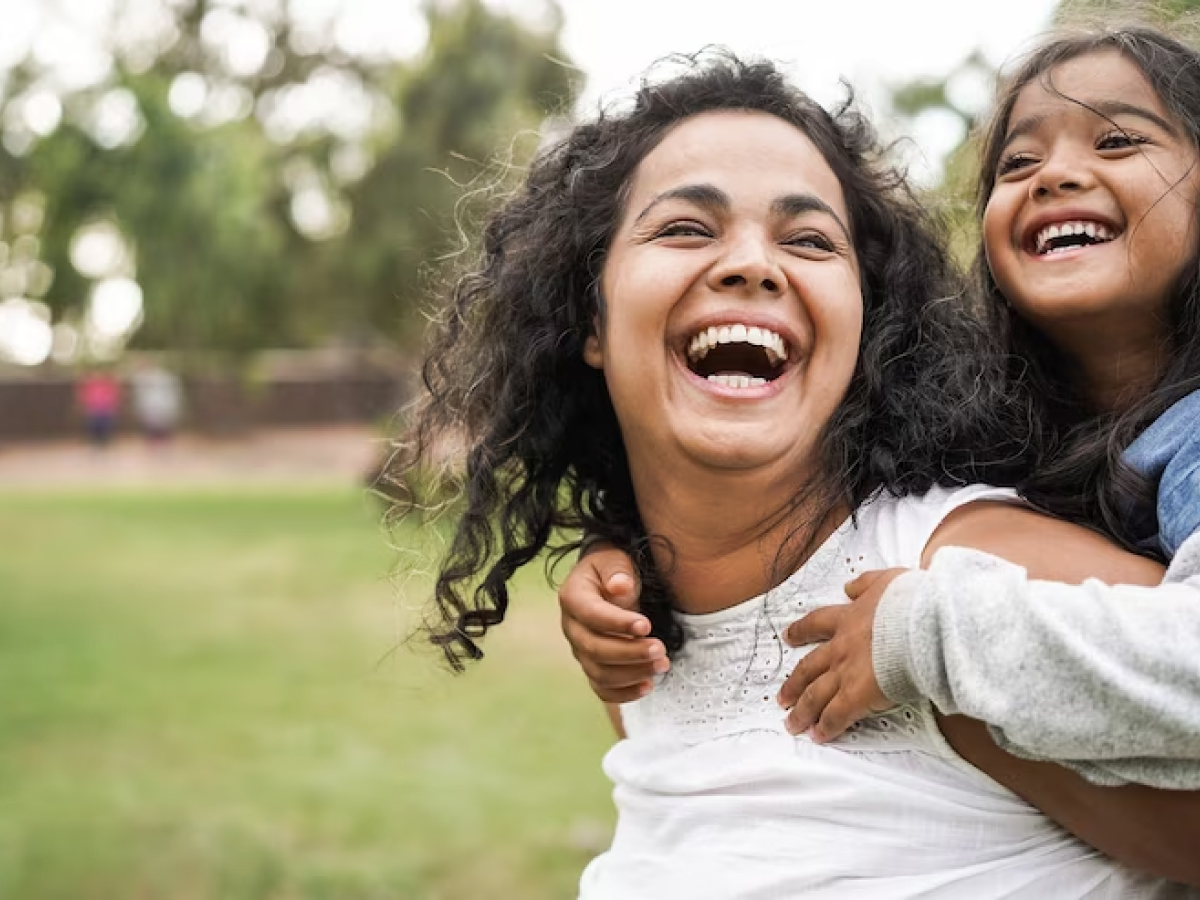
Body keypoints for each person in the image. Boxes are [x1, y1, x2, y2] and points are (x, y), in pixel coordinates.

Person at [391, 53, 1195, 895]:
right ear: (588, 316)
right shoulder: (636, 632)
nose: (751, 264)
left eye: (808, 240)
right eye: (685, 228)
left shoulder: (970, 588)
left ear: (866, 327)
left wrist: (935, 644)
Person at [560, 29, 1200, 798]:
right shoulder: (1010, 432)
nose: (1055, 174)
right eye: (1017, 163)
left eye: (1119, 139)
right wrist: (627, 555)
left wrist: (925, 638)